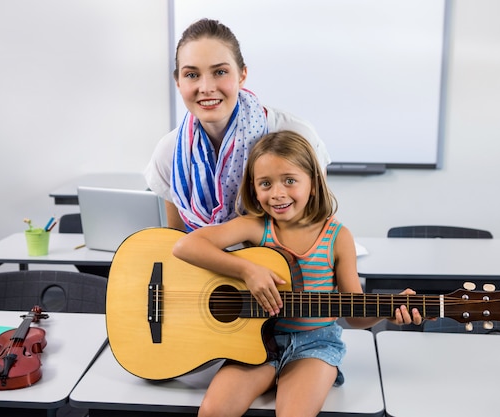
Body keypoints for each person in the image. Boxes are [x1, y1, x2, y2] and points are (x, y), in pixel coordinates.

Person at [173, 130, 423, 417]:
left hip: (315, 345)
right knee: (213, 411)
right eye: (265, 183)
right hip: (256, 343)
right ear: (254, 189)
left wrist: (387, 311)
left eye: (289, 181)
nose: (277, 193)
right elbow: (185, 246)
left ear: (314, 184)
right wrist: (247, 270)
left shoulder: (337, 237)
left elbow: (355, 314)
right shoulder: (256, 227)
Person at [144, 18, 331, 232]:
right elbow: (175, 242)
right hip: (201, 262)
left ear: (242, 75)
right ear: (178, 82)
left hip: (281, 264)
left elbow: (318, 234)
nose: (206, 88)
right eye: (192, 75)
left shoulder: (295, 134)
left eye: (220, 72)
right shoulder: (170, 152)